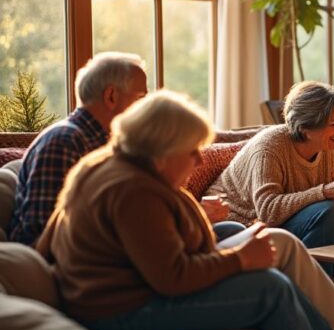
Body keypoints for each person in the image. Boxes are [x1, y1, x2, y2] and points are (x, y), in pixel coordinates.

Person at [39, 91, 334, 330]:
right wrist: (241, 259)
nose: (199, 161)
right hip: (123, 307)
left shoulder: (116, 167)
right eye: (192, 150)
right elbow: (172, 278)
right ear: (161, 149)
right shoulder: (134, 191)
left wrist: (206, 222)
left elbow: (48, 242)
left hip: (136, 284)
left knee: (263, 238)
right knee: (269, 286)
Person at [7, 52, 242, 245]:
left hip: (132, 245)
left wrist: (188, 214)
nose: (145, 109)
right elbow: (40, 234)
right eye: (140, 98)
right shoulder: (64, 143)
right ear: (111, 96)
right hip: (101, 264)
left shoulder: (113, 144)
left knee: (232, 230)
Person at [210, 81, 334, 268]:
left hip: (289, 217)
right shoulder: (269, 147)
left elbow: (327, 186)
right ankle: (318, 286)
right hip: (244, 225)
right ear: (305, 127)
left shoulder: (326, 144)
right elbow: (268, 212)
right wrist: (325, 191)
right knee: (327, 211)